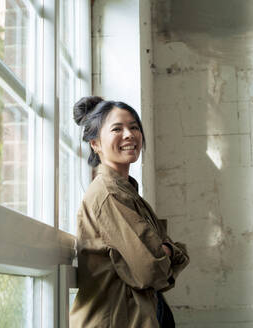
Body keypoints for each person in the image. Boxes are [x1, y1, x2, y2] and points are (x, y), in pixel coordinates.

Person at [70, 96, 190, 328]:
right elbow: (151, 270)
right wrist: (168, 251)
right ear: (95, 143)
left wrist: (166, 250)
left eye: (134, 127)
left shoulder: (128, 193)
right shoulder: (108, 193)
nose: (129, 135)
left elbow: (162, 257)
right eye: (117, 128)